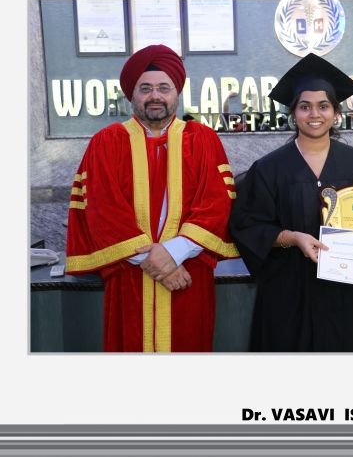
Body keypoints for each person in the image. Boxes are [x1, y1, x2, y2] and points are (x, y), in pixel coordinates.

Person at [65, 44, 238, 352]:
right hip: (130, 276)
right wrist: (159, 263)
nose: (155, 96)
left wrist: (175, 252)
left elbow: (216, 204)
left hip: (189, 273)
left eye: (163, 88)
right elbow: (102, 212)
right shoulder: (106, 142)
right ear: (131, 94)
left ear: (177, 92)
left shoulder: (203, 140)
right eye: (145, 88)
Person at [229, 53, 353, 352]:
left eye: (323, 106)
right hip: (287, 292)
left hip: (347, 293)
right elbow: (248, 226)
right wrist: (292, 238)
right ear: (294, 113)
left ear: (335, 113)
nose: (315, 114)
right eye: (305, 106)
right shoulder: (269, 168)